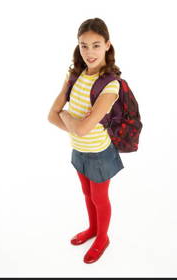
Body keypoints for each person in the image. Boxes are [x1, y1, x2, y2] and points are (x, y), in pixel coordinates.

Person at [48, 17, 124, 264]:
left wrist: (69, 116)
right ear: (78, 46)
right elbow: (52, 116)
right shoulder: (75, 75)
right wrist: (76, 124)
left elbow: (78, 127)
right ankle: (92, 229)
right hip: (78, 151)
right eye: (84, 45)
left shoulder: (110, 85)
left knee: (100, 198)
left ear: (107, 45)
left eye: (96, 45)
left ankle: (103, 237)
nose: (89, 52)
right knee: (86, 195)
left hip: (100, 155)